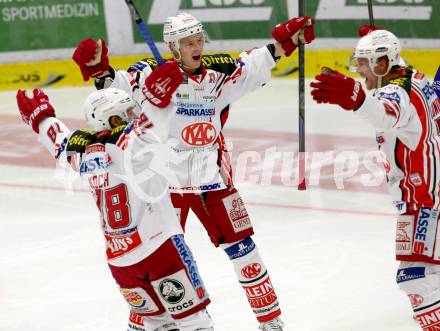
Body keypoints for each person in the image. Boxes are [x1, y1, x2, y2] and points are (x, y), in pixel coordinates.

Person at [71, 12, 315, 331]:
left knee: (245, 250)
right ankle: (144, 322)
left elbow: (255, 63)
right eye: (188, 42)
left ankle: (271, 322)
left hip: (212, 180)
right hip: (165, 187)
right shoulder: (150, 74)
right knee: (160, 259)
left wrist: (288, 41)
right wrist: (100, 71)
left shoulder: (219, 72)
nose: (196, 46)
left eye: (199, 39)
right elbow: (116, 88)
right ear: (173, 47)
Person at [16, 86, 215, 331]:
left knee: (159, 325)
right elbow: (160, 121)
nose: (136, 114)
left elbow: (59, 139)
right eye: (129, 111)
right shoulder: (134, 143)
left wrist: (42, 117)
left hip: (122, 262)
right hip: (161, 249)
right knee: (195, 322)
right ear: (113, 119)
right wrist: (163, 92)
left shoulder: (82, 151)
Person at [310, 29, 440, 331]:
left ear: (383, 64)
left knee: (416, 277)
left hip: (423, 196)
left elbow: (384, 112)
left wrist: (354, 98)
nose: (358, 70)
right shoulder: (414, 76)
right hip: (425, 190)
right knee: (430, 271)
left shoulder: (395, 92)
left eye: (365, 63)